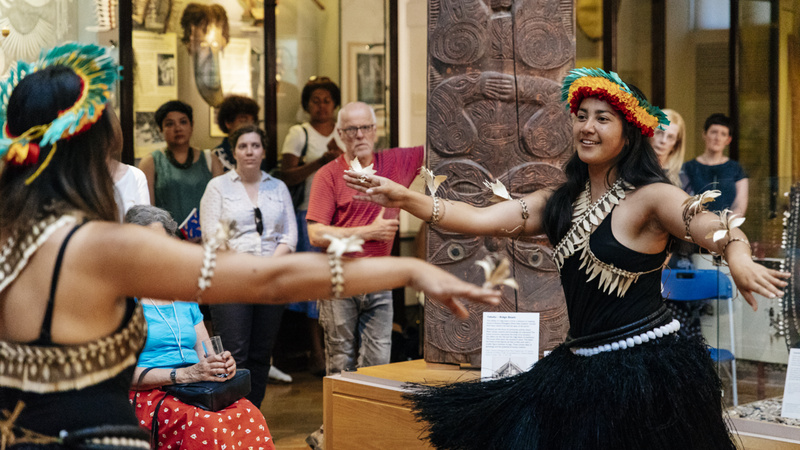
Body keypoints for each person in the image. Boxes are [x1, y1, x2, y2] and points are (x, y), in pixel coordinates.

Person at [0, 43, 499, 449]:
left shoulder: (11, 241)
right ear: (90, 143)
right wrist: (408, 272)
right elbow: (271, 278)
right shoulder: (99, 248)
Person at [345, 68, 788, 449]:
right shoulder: (558, 201)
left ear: (629, 130)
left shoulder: (654, 198)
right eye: (580, 117)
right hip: (579, 364)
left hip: (648, 372)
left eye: (602, 118)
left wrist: (740, 257)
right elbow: (475, 218)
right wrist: (404, 197)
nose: (587, 128)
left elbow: (720, 228)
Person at [125, 205, 274, 449]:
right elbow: (121, 374)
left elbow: (206, 351)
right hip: (149, 392)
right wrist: (182, 375)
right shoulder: (121, 300)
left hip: (195, 388)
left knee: (250, 414)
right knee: (207, 425)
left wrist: (220, 364)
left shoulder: (183, 293)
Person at [307, 101, 423, 376]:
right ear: (340, 133)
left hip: (379, 279)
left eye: (365, 128)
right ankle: (337, 421)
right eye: (351, 129)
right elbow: (316, 234)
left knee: (378, 360)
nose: (359, 135)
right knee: (339, 360)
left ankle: (366, 420)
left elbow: (440, 144)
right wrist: (366, 233)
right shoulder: (328, 175)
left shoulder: (397, 162)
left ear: (375, 130)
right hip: (339, 280)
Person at [200, 124, 297, 408]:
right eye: (243, 146)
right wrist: (247, 269)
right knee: (235, 354)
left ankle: (254, 417)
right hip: (231, 280)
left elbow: (289, 235)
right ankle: (232, 420)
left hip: (271, 280)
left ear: (264, 151)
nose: (249, 151)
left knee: (260, 354)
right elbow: (212, 236)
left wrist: (267, 269)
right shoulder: (217, 187)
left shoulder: (277, 187)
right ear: (234, 152)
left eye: (255, 145)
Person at [280, 76, 344, 376]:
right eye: (315, 100)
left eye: (327, 100)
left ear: (335, 104)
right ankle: (317, 354)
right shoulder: (299, 133)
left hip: (343, 216)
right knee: (312, 290)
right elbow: (288, 176)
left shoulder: (345, 132)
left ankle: (338, 351)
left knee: (337, 286)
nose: (321, 105)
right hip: (311, 215)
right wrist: (321, 162)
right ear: (307, 105)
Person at [138, 100, 223, 234]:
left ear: (192, 125)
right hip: (166, 244)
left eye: (183, 122)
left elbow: (223, 206)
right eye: (169, 124)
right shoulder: (150, 162)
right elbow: (148, 213)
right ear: (160, 129)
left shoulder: (210, 160)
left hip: (207, 241)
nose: (178, 128)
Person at [682, 113, 748, 215]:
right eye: (714, 132)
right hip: (696, 227)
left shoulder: (736, 169)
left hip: (728, 227)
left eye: (723, 134)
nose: (717, 138)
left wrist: (726, 228)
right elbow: (684, 202)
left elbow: (739, 205)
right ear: (704, 134)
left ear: (728, 140)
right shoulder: (688, 168)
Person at [213, 94, 260, 172]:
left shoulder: (258, 152)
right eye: (243, 121)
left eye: (252, 122)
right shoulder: (216, 155)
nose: (249, 126)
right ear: (228, 123)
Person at [650, 108, 685, 186]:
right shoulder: (631, 169)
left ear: (676, 144)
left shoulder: (682, 177)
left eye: (670, 137)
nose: (663, 140)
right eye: (659, 132)